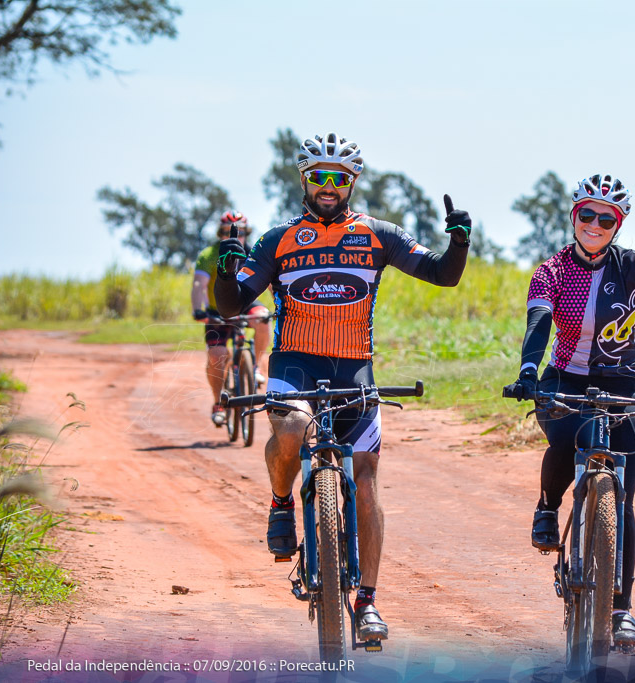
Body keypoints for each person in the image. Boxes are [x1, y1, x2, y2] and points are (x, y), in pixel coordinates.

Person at [213, 132, 472, 644]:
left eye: (339, 178)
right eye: (318, 177)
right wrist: (226, 275)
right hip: (295, 365)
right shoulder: (277, 239)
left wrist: (459, 241)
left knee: (368, 474)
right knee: (291, 428)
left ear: (352, 182)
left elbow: (443, 276)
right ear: (305, 181)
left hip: (355, 368)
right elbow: (230, 303)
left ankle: (369, 601)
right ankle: (282, 503)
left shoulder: (378, 234)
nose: (328, 186)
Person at [505, 173, 635, 649]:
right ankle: (548, 506)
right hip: (565, 377)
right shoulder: (551, 271)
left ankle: (621, 611)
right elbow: (539, 324)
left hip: (623, 381)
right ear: (574, 216)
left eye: (606, 217)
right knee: (566, 436)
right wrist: (529, 371)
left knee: (624, 500)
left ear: (618, 224)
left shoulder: (632, 266)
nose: (595, 224)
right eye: (587, 215)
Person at [191, 211, 270, 427]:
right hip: (217, 309)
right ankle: (218, 402)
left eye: (240, 232)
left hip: (246, 303)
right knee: (218, 355)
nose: (235, 236)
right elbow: (199, 284)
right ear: (220, 234)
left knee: (264, 319)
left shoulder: (255, 253)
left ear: (246, 233)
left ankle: (256, 367)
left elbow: (271, 281)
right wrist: (199, 309)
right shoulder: (209, 255)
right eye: (227, 232)